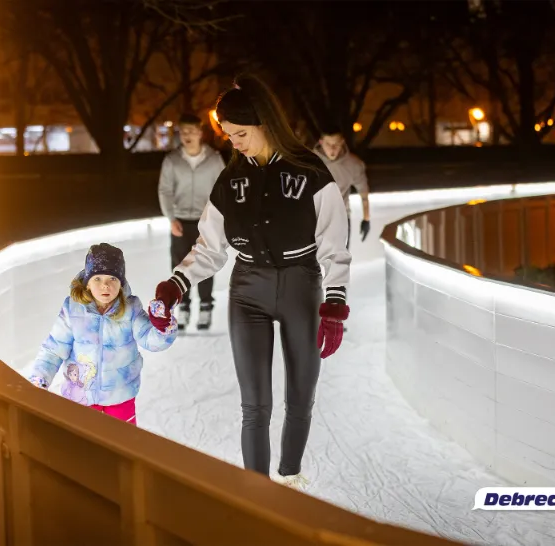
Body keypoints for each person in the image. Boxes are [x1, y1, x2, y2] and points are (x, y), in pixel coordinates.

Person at [150, 74, 351, 489]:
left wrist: (334, 304)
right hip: (248, 290)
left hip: (301, 286)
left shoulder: (312, 173)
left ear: (265, 123)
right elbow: (209, 247)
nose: (233, 143)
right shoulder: (230, 180)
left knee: (299, 397)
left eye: (240, 133)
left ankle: (291, 476)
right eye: (227, 135)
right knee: (254, 404)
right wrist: (175, 286)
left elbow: (335, 243)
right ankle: (257, 496)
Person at [24, 243, 178, 426]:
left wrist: (162, 325)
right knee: (82, 446)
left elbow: (151, 340)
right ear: (87, 283)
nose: (105, 285)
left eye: (112, 278)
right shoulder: (73, 309)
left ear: (120, 283)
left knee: (123, 445)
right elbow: (54, 349)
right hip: (80, 396)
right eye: (97, 278)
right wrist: (40, 378)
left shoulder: (130, 309)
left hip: (120, 396)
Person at [158, 113, 226, 331]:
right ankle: (184, 306)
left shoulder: (214, 159)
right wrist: (171, 218)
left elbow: (222, 189)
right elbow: (165, 190)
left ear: (200, 132)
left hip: (205, 222)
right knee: (180, 264)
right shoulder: (172, 160)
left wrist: (218, 219)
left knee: (204, 262)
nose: (187, 135)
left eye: (191, 131)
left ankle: (206, 306)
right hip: (180, 221)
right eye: (183, 131)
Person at [313, 124, 370, 248]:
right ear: (321, 142)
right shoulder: (310, 162)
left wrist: (366, 219)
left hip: (341, 219)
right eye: (328, 144)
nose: (332, 149)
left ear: (342, 142)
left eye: (336, 145)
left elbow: (363, 191)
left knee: (340, 262)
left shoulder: (353, 164)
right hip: (315, 220)